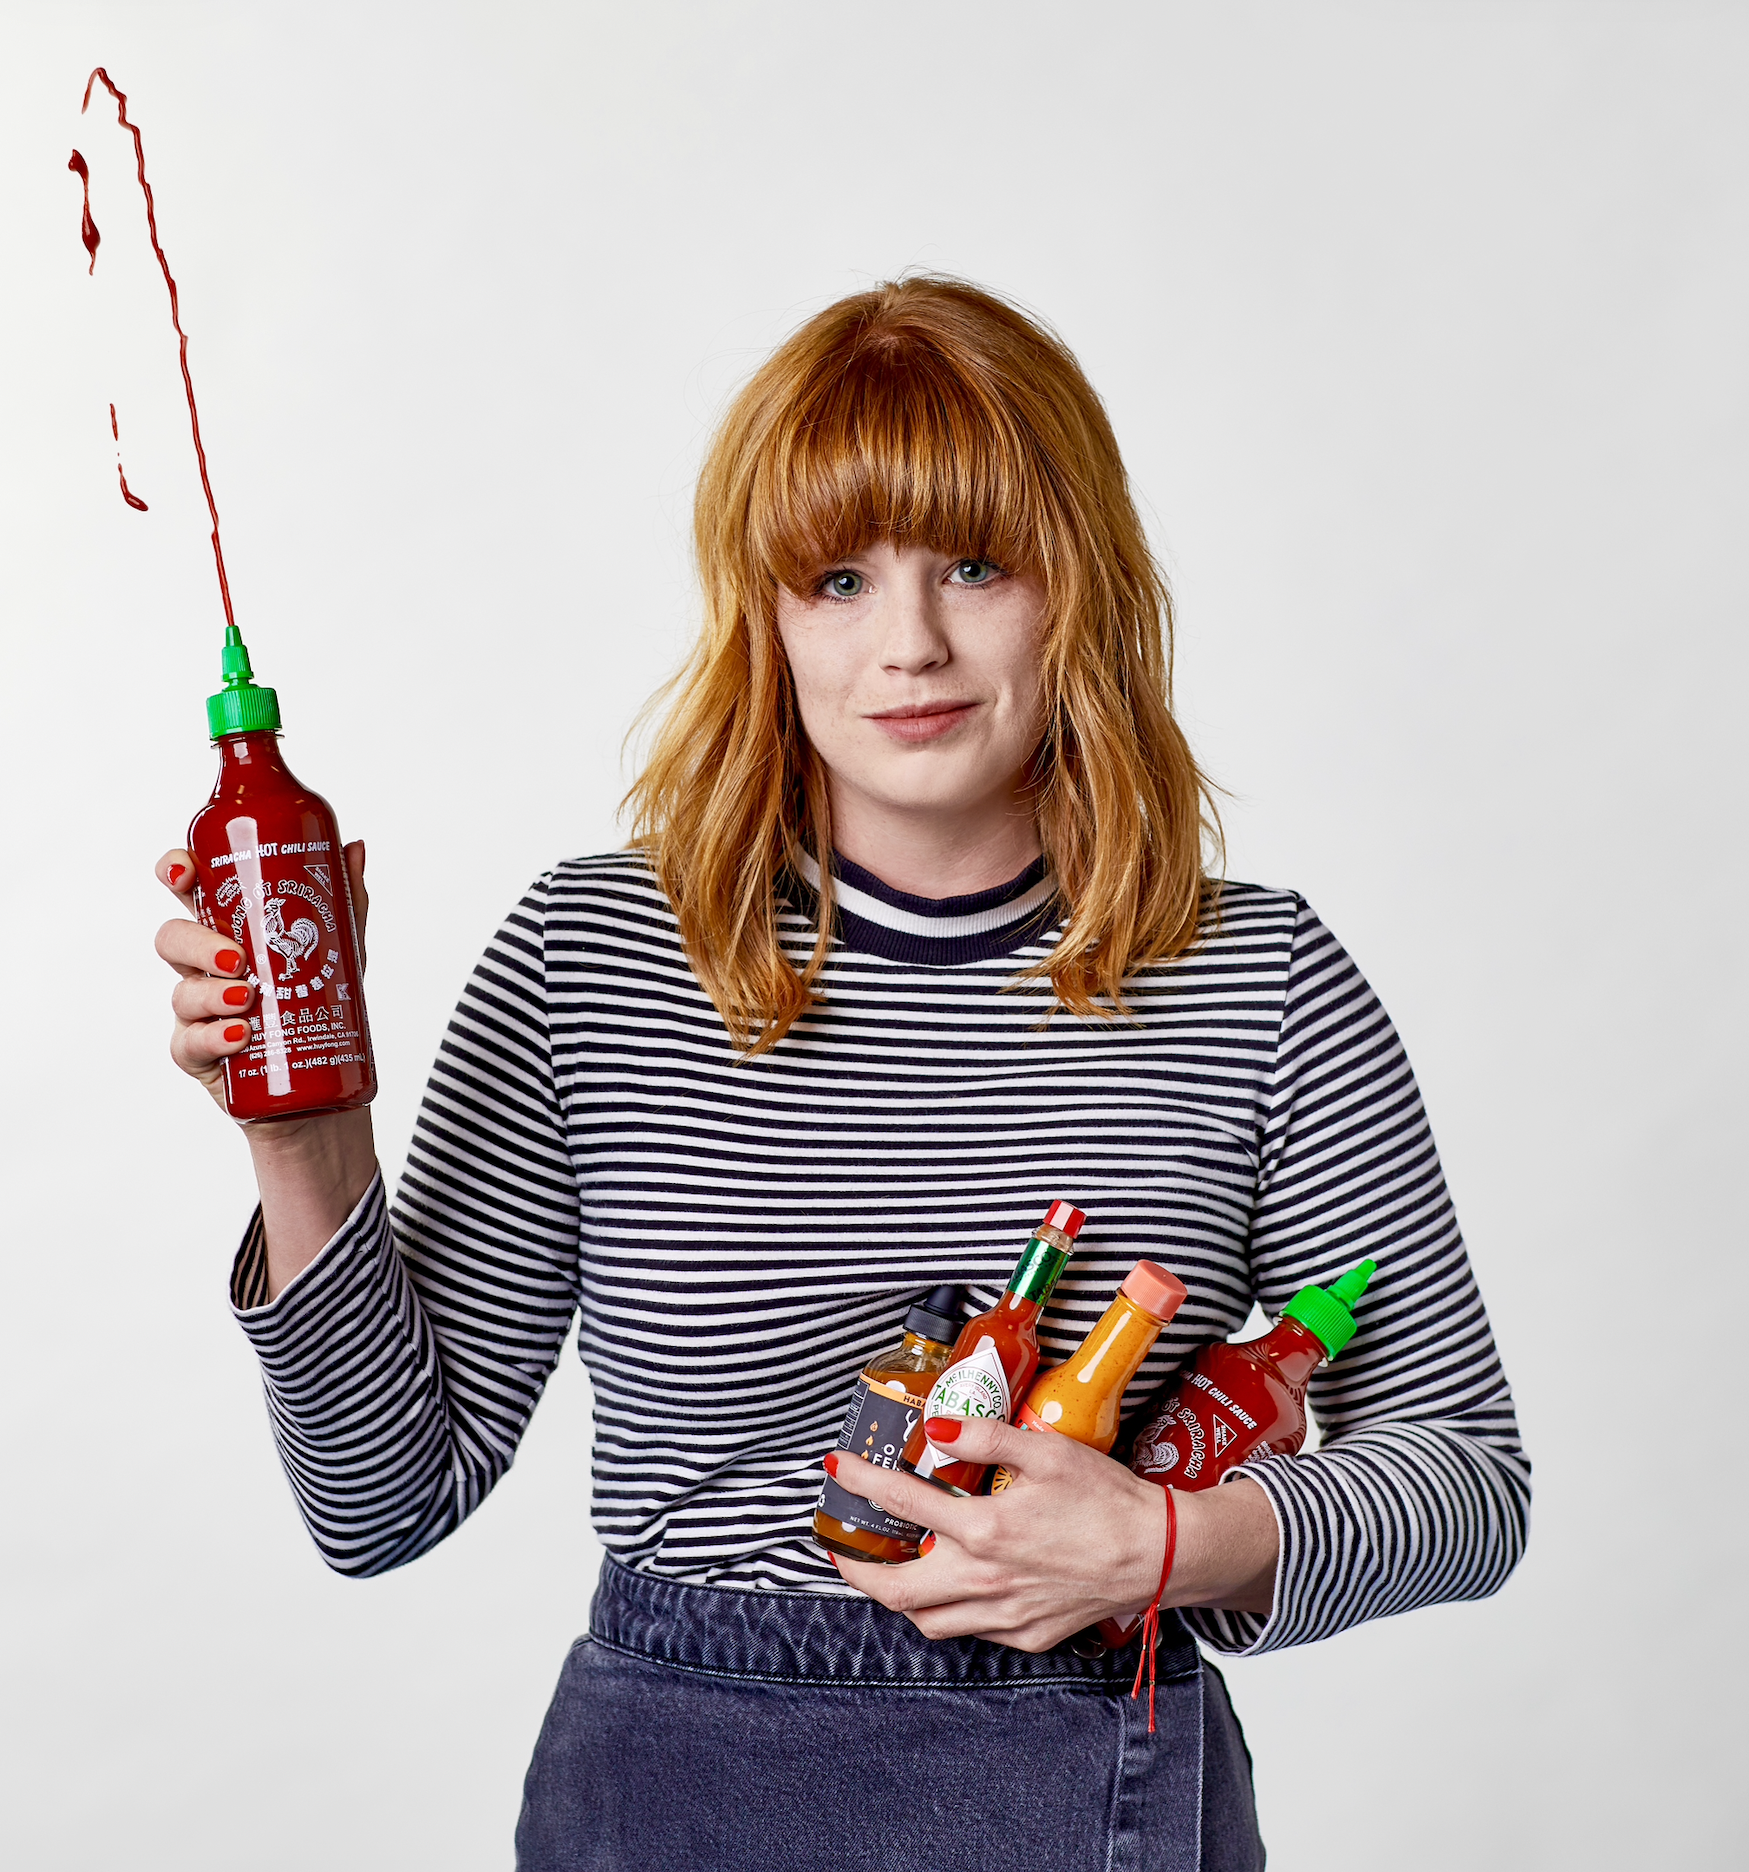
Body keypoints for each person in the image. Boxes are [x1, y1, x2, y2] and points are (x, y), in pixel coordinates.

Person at [154, 277, 1529, 1870]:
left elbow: (1468, 1484)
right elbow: (383, 1503)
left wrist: (1169, 1543)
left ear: (1072, 586)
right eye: (838, 579)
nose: (914, 645)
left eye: (972, 563)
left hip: (1087, 1788)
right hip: (672, 1797)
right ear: (768, 618)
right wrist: (307, 1142)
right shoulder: (592, 958)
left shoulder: (1258, 981)